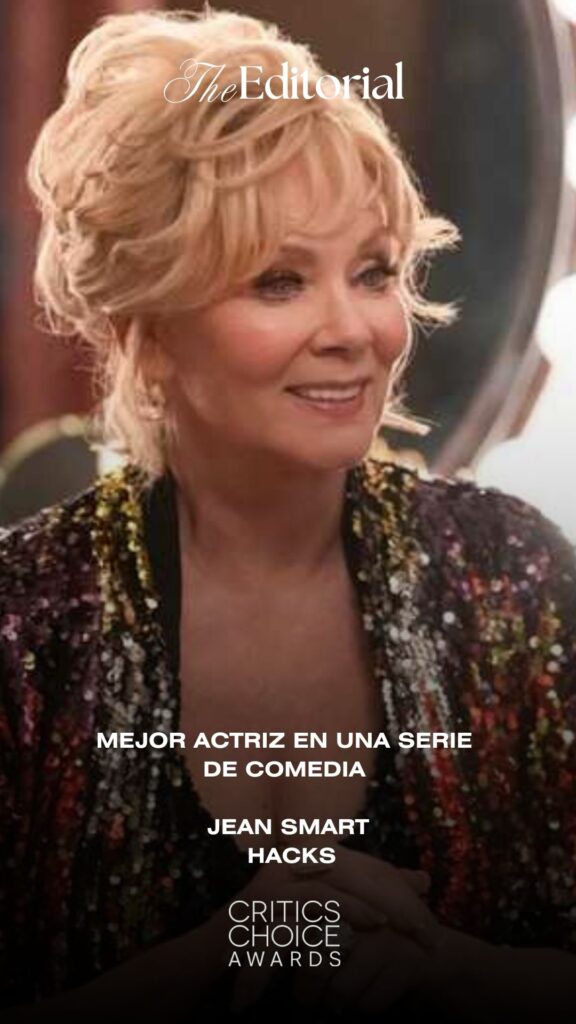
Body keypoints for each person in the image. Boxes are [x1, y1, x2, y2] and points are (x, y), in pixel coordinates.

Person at [1, 6, 575, 1021]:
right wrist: (235, 950)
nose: (353, 329)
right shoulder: (30, 621)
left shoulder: (511, 578)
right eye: (279, 281)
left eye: (375, 271)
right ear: (147, 330)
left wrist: (452, 971)